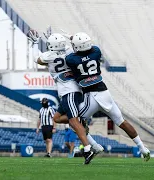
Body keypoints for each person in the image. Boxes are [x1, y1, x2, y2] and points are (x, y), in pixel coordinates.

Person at [64, 32, 151, 162]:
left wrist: (71, 43)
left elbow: (71, 55)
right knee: (122, 122)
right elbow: (90, 50)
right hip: (105, 93)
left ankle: (94, 145)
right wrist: (76, 41)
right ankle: (143, 148)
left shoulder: (72, 59)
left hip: (91, 96)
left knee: (74, 121)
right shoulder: (96, 52)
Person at [29, 30, 102, 164]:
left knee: (74, 122)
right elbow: (74, 47)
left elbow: (37, 59)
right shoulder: (69, 50)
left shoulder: (50, 55)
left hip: (68, 91)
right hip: (73, 89)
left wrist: (34, 43)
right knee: (56, 118)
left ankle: (88, 149)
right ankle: (89, 138)